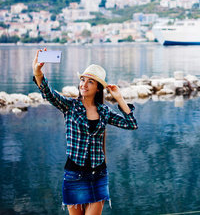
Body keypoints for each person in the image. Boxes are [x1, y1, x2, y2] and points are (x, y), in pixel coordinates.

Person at [32, 49, 138, 215]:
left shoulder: (104, 111)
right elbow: (49, 94)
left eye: (90, 82)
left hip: (99, 175)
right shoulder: (70, 106)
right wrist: (37, 72)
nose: (84, 84)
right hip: (74, 175)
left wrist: (119, 98)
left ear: (97, 88)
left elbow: (131, 124)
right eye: (82, 80)